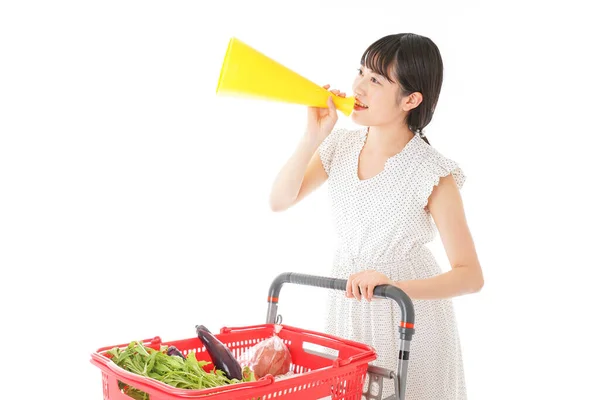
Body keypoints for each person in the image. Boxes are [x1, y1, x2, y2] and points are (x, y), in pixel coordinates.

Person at [269, 33, 483, 399]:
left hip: (408, 317)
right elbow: (279, 200)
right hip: (349, 303)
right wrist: (312, 136)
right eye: (361, 72)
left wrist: (393, 290)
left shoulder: (432, 172)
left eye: (376, 80)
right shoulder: (341, 145)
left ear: (411, 100)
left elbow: (470, 276)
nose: (358, 87)